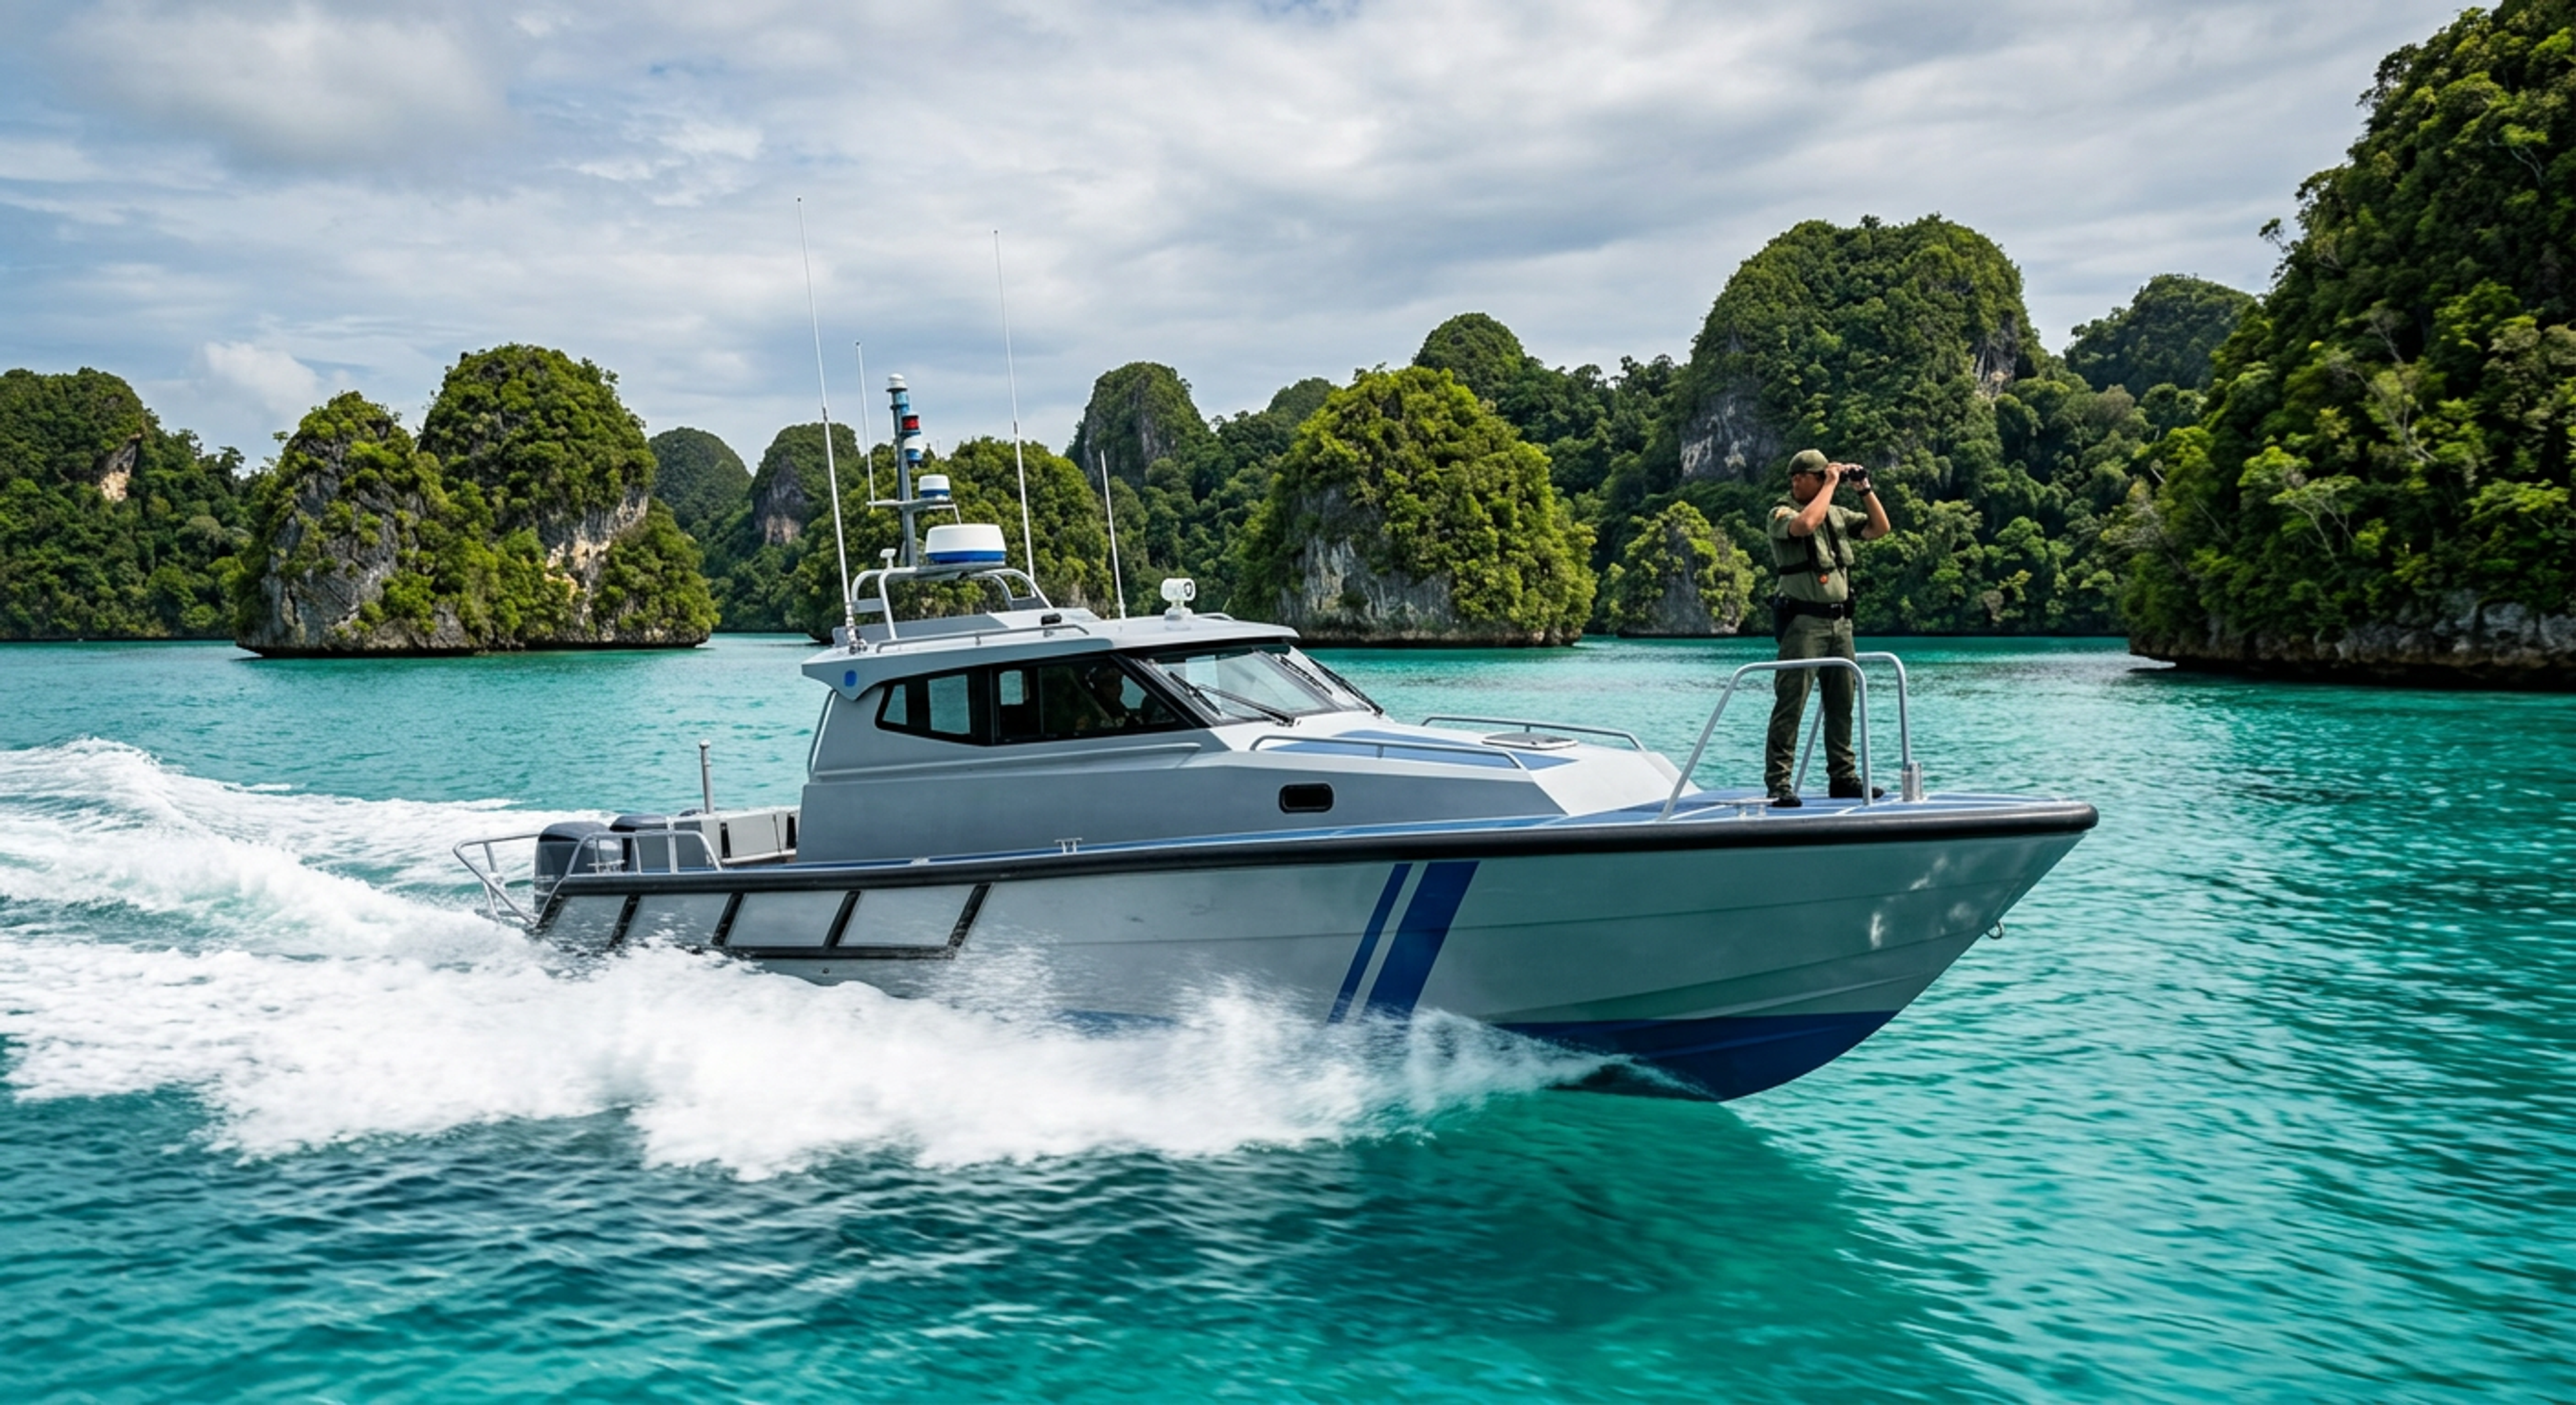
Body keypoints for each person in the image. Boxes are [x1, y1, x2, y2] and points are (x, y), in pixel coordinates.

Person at [1764, 449, 1890, 806]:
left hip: (1840, 623)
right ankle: (1779, 782)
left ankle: (1843, 777)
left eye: (1803, 476)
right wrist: (1832, 483)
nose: (1795, 481)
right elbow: (1805, 525)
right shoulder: (1781, 511)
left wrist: (1864, 489)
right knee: (1791, 703)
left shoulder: (1836, 513)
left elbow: (1880, 528)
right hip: (1803, 623)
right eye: (1796, 477)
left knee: (1842, 703)